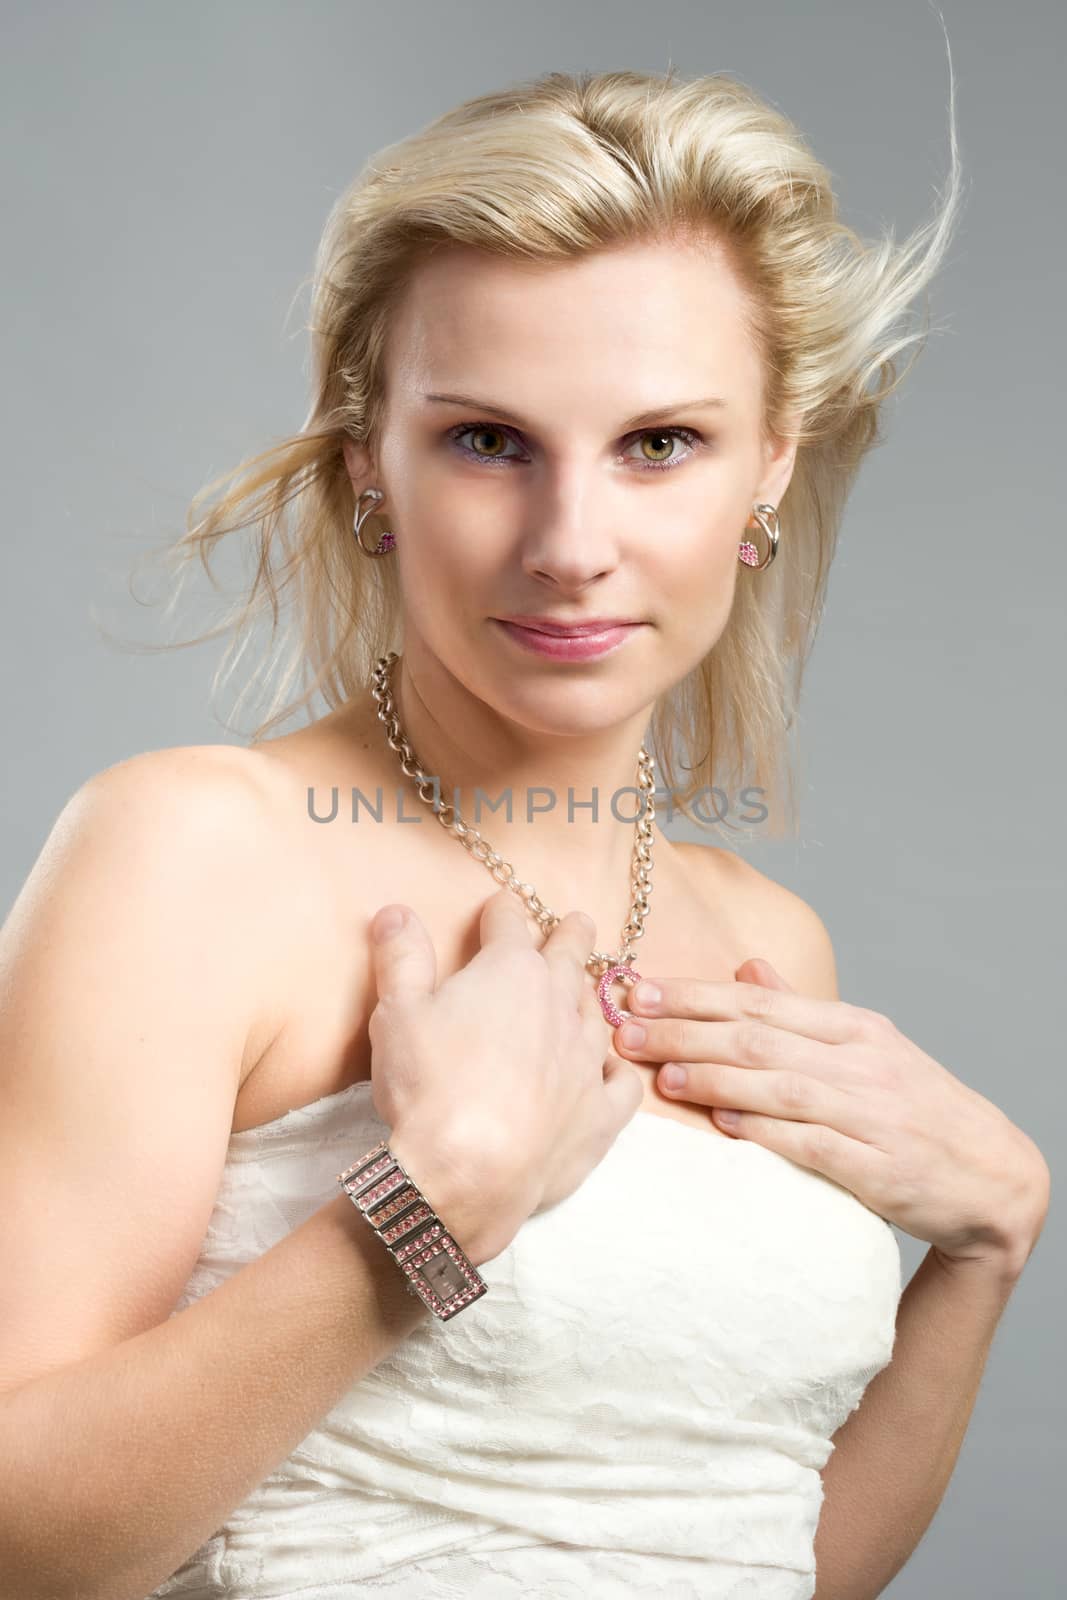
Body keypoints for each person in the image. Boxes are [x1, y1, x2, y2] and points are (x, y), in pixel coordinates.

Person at [0, 63, 1048, 1600]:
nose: (570, 548)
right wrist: (426, 1216)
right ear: (372, 461)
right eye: (489, 441)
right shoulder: (198, 854)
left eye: (660, 444)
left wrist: (984, 1257)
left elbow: (750, 1547)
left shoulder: (763, 942)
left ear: (772, 462)